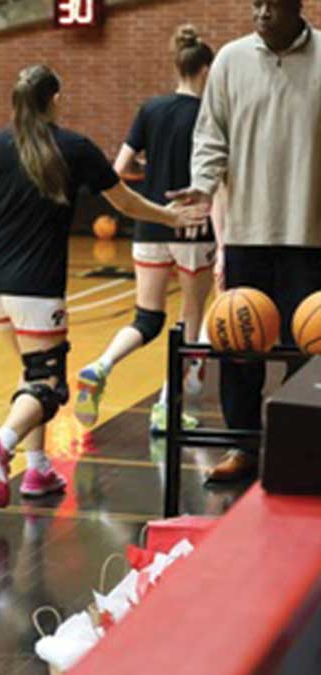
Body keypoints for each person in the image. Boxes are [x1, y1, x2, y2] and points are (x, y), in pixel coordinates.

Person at [0, 65, 205, 509]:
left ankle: (37, 469)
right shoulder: (74, 147)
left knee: (31, 374)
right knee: (50, 386)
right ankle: (1, 443)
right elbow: (124, 201)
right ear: (55, 99)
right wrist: (172, 217)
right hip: (35, 290)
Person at [173, 0, 321, 482]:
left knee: (311, 349)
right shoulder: (232, 62)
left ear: (297, 6)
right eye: (254, 3)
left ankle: (306, 448)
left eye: (271, 4)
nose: (261, 13)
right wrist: (203, 183)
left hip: (311, 233)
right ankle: (243, 447)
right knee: (239, 349)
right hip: (246, 234)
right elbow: (210, 135)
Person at [74, 25, 216, 433]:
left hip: (150, 224)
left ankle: (100, 365)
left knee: (147, 319)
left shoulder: (149, 109)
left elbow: (118, 168)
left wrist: (148, 172)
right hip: (192, 227)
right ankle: (168, 406)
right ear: (205, 71)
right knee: (192, 319)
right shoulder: (209, 114)